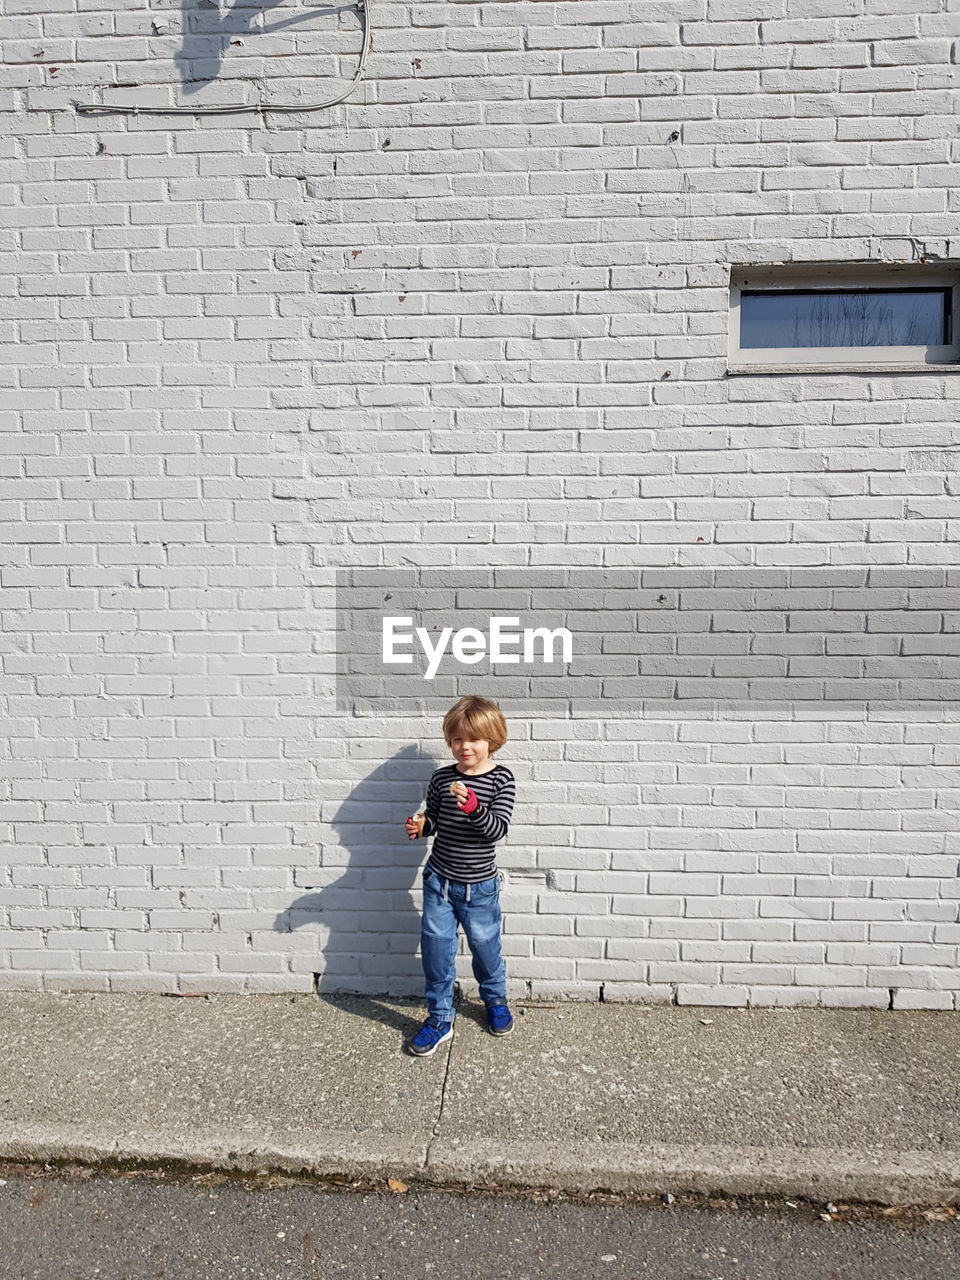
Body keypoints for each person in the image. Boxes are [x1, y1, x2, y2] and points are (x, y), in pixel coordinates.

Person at [403, 695, 516, 1057]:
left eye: (474, 739)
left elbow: (495, 830)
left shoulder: (501, 780)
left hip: (479, 887)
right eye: (457, 739)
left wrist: (472, 807)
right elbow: (434, 819)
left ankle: (494, 1000)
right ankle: (439, 1018)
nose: (465, 746)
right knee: (437, 952)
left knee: (486, 948)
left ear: (492, 740)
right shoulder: (441, 778)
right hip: (439, 882)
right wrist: (421, 826)